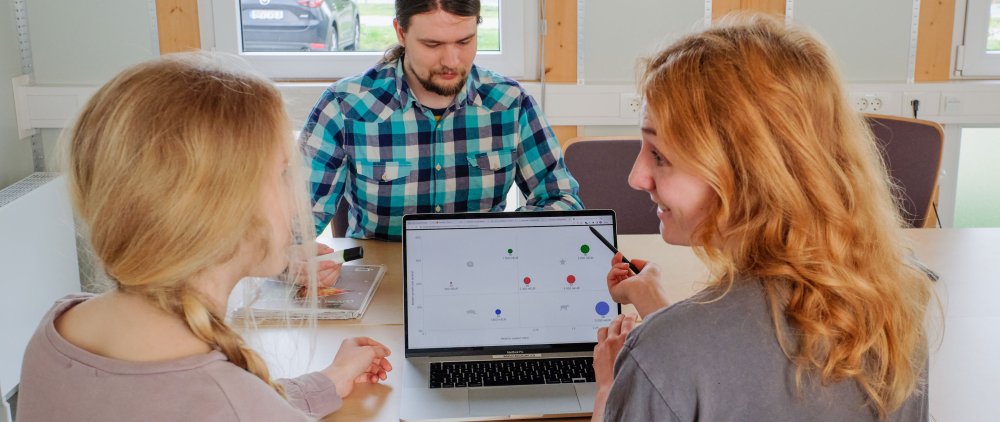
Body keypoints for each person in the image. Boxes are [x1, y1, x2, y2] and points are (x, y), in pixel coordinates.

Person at [591, 15, 934, 421]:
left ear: (747, 173)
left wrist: (610, 389)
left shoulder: (659, 358)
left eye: (659, 155)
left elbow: (693, 369)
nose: (636, 177)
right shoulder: (892, 315)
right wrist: (656, 307)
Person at [16, 53, 393, 421]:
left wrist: (329, 381)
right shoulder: (234, 403)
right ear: (223, 208)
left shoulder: (57, 329)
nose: (296, 203)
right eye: (282, 174)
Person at [300, 0, 583, 241]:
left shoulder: (510, 103)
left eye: (464, 41)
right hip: (384, 276)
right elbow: (293, 222)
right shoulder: (344, 106)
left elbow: (563, 200)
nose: (451, 61)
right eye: (432, 44)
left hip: (484, 270)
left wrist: (504, 236)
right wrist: (293, 257)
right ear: (401, 32)